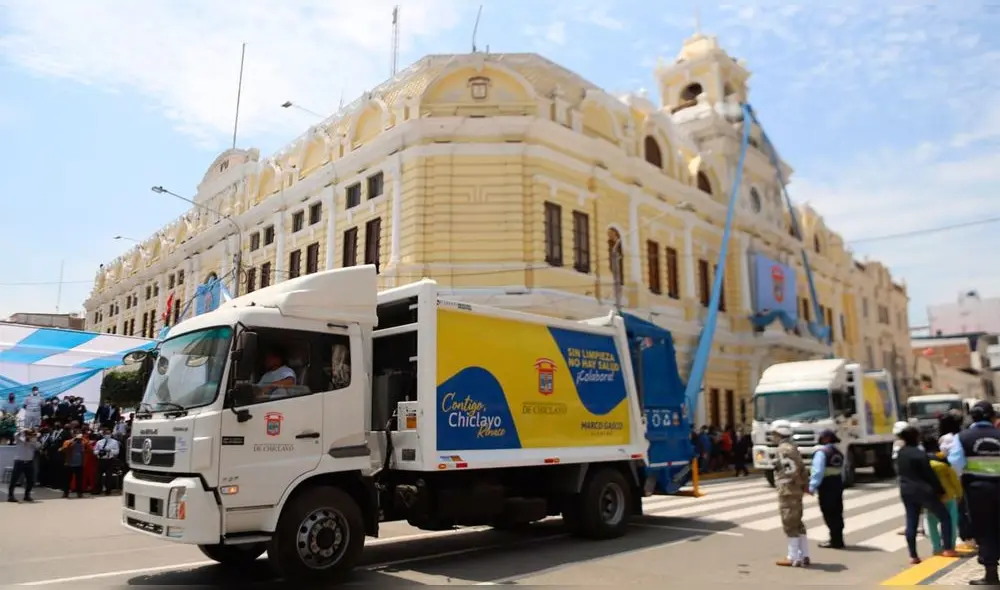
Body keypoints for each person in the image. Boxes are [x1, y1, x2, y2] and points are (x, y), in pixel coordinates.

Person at [947, 401, 1000, 585]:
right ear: (993, 417)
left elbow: (955, 464)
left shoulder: (962, 437)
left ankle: (991, 575)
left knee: (984, 530)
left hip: (977, 491)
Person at [896, 425, 958, 564]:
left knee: (911, 522)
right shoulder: (919, 454)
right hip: (924, 491)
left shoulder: (901, 453)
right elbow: (929, 475)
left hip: (906, 490)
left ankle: (913, 556)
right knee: (945, 517)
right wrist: (940, 491)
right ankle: (948, 548)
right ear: (916, 438)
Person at [770, 419, 810, 567]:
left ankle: (793, 557)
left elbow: (790, 471)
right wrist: (804, 485)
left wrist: (793, 482)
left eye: (773, 433)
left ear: (779, 433)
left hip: (787, 490)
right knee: (798, 522)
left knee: (789, 523)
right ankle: (804, 554)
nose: (772, 436)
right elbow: (802, 469)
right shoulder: (792, 447)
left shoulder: (783, 449)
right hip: (795, 489)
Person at [939, 410, 976, 552]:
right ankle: (971, 536)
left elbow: (946, 459)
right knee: (967, 507)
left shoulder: (945, 439)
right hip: (967, 474)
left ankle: (965, 536)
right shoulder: (963, 435)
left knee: (959, 508)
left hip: (954, 477)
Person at [922, 436, 962, 556]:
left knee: (931, 523)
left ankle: (936, 547)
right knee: (950, 522)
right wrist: (959, 494)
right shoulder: (943, 460)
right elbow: (954, 479)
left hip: (930, 497)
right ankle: (950, 547)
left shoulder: (921, 461)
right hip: (948, 496)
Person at [808, 429, 845, 549]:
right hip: (837, 482)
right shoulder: (837, 451)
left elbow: (817, 471)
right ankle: (838, 539)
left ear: (826, 438)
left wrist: (812, 487)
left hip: (827, 484)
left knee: (829, 512)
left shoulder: (821, 452)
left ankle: (834, 540)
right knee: (837, 512)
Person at [7, 428, 40, 502]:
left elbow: (38, 446)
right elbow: (15, 435)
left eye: (30, 434)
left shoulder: (33, 441)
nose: (29, 435)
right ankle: (10, 496)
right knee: (14, 479)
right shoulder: (19, 439)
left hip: (29, 462)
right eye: (28, 434)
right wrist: (23, 431)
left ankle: (27, 495)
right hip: (19, 461)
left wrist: (33, 438)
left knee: (30, 480)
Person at [60, 433, 87, 498]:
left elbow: (86, 448)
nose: (78, 439)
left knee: (79, 479)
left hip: (79, 463)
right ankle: (66, 493)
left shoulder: (82, 443)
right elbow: (63, 449)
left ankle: (79, 493)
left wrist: (82, 439)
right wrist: (72, 441)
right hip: (69, 464)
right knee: (67, 479)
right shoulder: (67, 442)